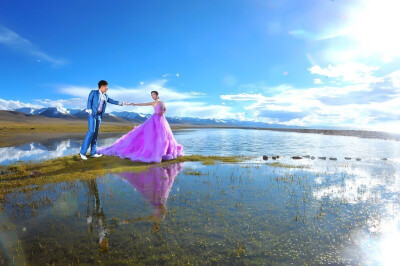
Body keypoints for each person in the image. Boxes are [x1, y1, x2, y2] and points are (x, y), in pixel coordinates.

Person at [97, 91, 184, 163]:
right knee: (151, 136)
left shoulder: (161, 102)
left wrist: (163, 112)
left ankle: (164, 152)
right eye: (151, 95)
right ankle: (155, 152)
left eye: (154, 95)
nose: (153, 96)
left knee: (164, 136)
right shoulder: (153, 103)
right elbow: (144, 104)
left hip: (161, 120)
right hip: (154, 119)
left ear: (157, 95)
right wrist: (135, 104)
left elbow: (165, 109)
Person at [79, 80, 129, 160]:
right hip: (92, 114)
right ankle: (82, 152)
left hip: (99, 116)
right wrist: (89, 109)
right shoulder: (94, 92)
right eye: (106, 87)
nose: (107, 89)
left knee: (95, 134)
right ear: (102, 87)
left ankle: (93, 153)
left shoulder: (106, 96)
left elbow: (112, 101)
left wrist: (123, 103)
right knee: (91, 131)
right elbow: (89, 100)